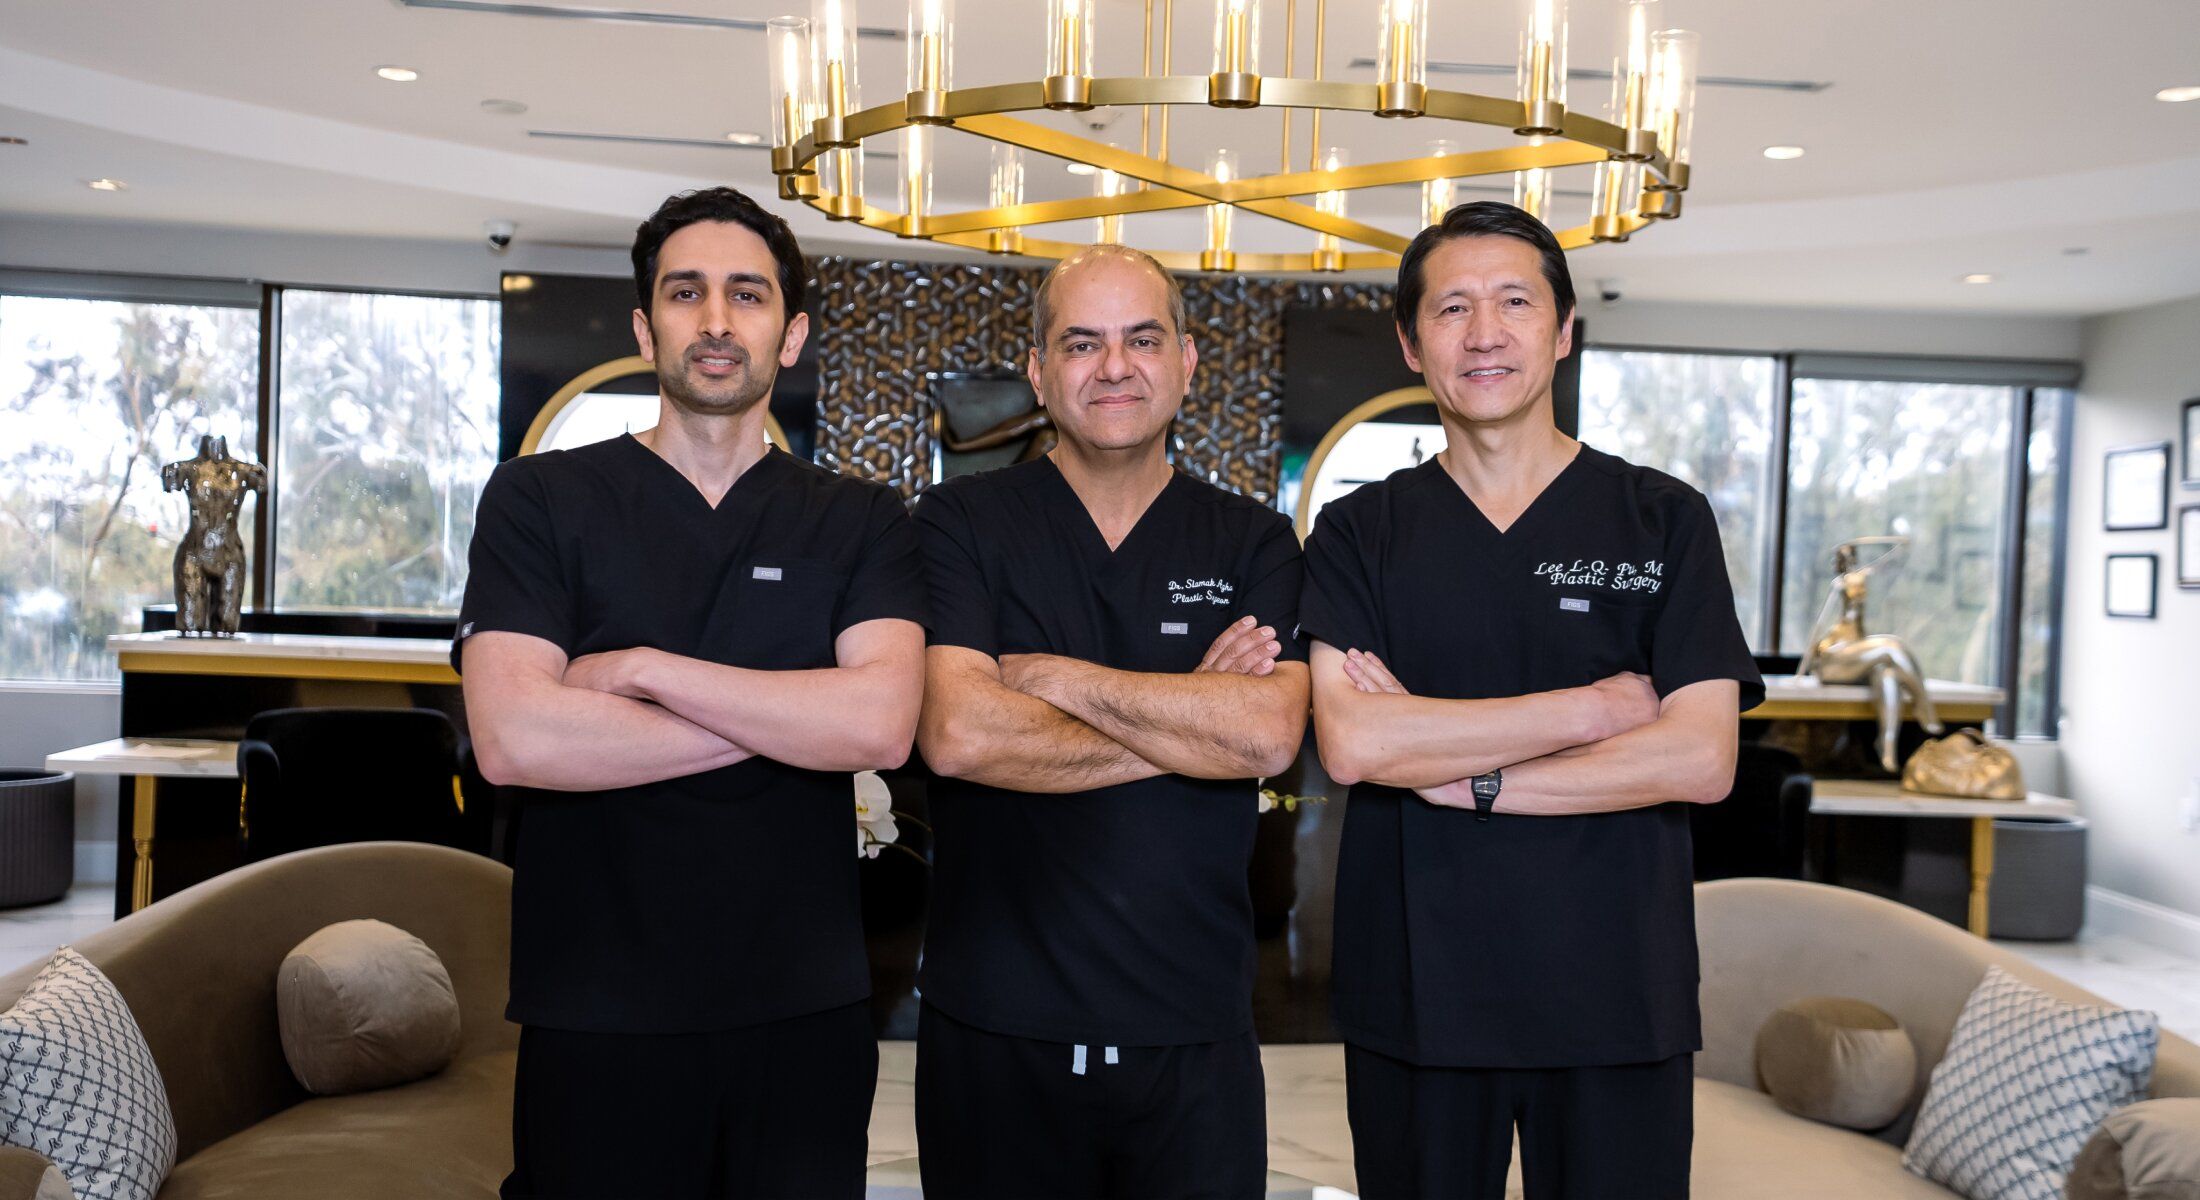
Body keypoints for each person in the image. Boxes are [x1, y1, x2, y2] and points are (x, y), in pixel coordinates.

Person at [454, 187, 928, 1199]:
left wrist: (642, 672)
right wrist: (798, 716)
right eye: (686, 293)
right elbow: (513, 738)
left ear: (790, 335)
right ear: (645, 328)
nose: (716, 320)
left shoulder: (862, 519)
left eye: (747, 295)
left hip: (801, 1012)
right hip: (595, 1007)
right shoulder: (540, 500)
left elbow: (882, 726)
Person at [1300, 201, 1765, 1200]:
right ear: (1411, 345)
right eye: (1452, 308)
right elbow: (1354, 743)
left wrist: (1461, 778)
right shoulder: (1358, 532)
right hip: (1418, 994)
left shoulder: (1662, 520)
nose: (1484, 333)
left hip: (1617, 995)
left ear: (1561, 332)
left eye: (1514, 303)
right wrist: (1596, 709)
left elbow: (1699, 758)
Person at [910, 244, 1310, 1200]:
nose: (1115, 366)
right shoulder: (957, 523)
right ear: (1040, 370)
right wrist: (1191, 719)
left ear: (1187, 361)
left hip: (1193, 1028)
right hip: (995, 1023)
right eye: (1082, 343)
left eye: (1143, 339)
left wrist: (1054, 680)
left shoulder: (1254, 539)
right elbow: (960, 736)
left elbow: (1263, 737)